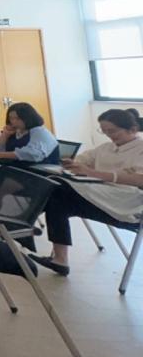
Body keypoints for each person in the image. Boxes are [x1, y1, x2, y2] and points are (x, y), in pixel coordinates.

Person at [30, 108, 143, 277]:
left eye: (112, 131)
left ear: (132, 129)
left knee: (58, 188)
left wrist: (93, 173)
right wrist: (73, 164)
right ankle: (60, 260)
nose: (109, 135)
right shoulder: (106, 148)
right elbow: (84, 159)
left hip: (128, 203)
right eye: (104, 131)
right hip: (101, 196)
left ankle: (23, 224)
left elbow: (139, 180)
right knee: (57, 198)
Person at [0, 102, 59, 169]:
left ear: (28, 118)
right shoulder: (15, 131)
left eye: (18, 118)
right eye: (11, 118)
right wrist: (5, 135)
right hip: (15, 170)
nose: (13, 121)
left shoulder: (40, 131)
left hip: (39, 173)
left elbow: (33, 154)